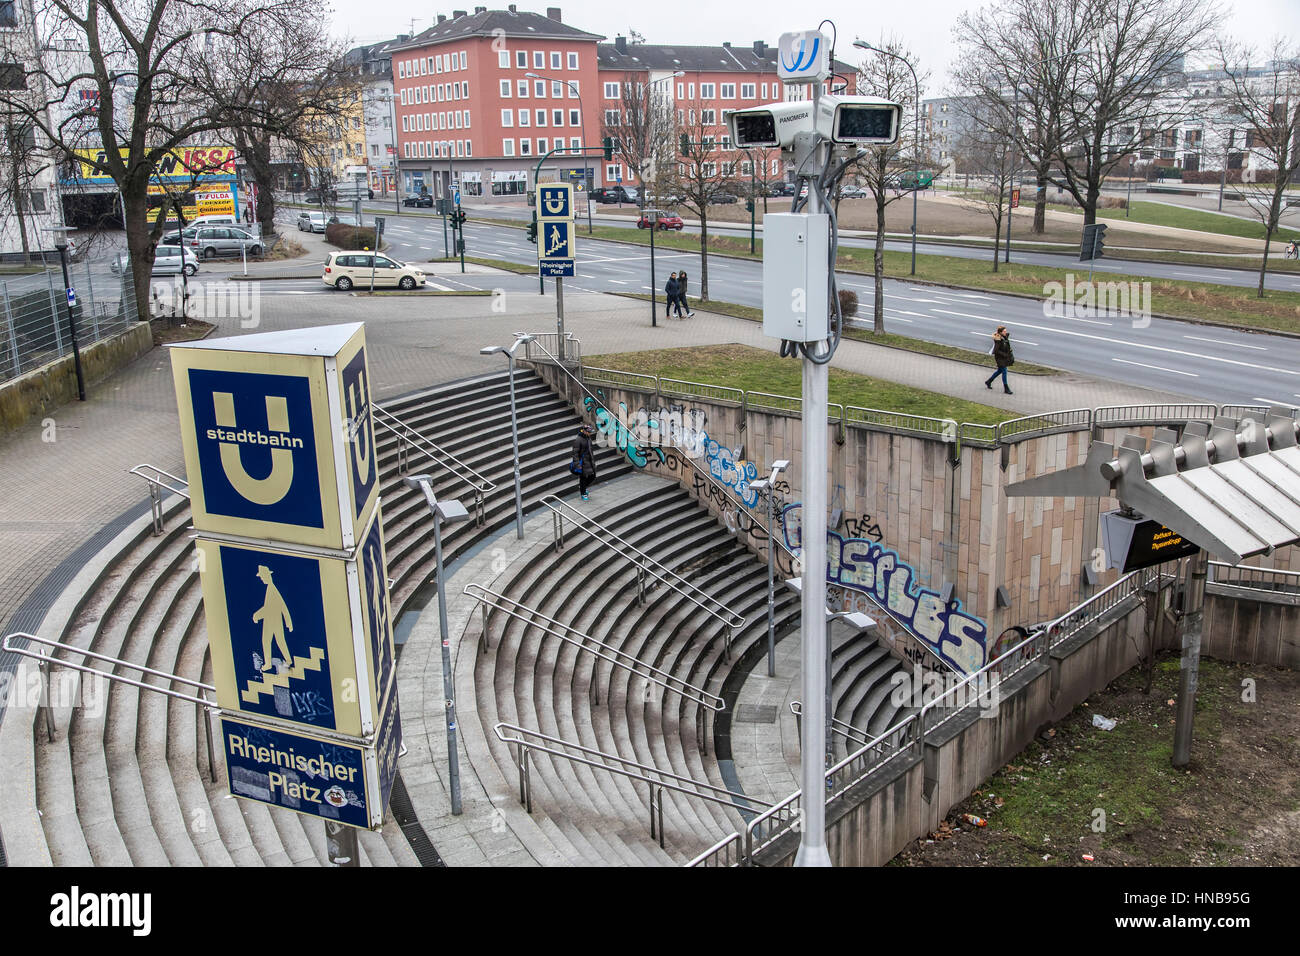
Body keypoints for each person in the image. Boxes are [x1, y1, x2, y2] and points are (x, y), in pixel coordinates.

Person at [570, 423, 597, 501]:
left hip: (589, 462)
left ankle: (583, 487)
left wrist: (593, 462)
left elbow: (590, 451)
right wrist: (578, 465)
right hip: (582, 463)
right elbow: (575, 454)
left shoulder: (588, 438)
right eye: (588, 432)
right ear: (584, 431)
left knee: (593, 476)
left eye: (590, 432)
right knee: (583, 478)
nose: (589, 433)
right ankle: (583, 493)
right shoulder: (578, 440)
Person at [984, 326, 1015, 395]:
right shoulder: (998, 340)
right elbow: (996, 350)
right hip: (1000, 358)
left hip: (1004, 358)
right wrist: (1004, 354)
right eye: (1004, 331)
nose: (1005, 332)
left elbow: (1006, 344)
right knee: (1004, 371)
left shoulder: (1004, 337)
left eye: (1005, 331)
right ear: (1000, 332)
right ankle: (1006, 388)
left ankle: (989, 381)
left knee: (999, 371)